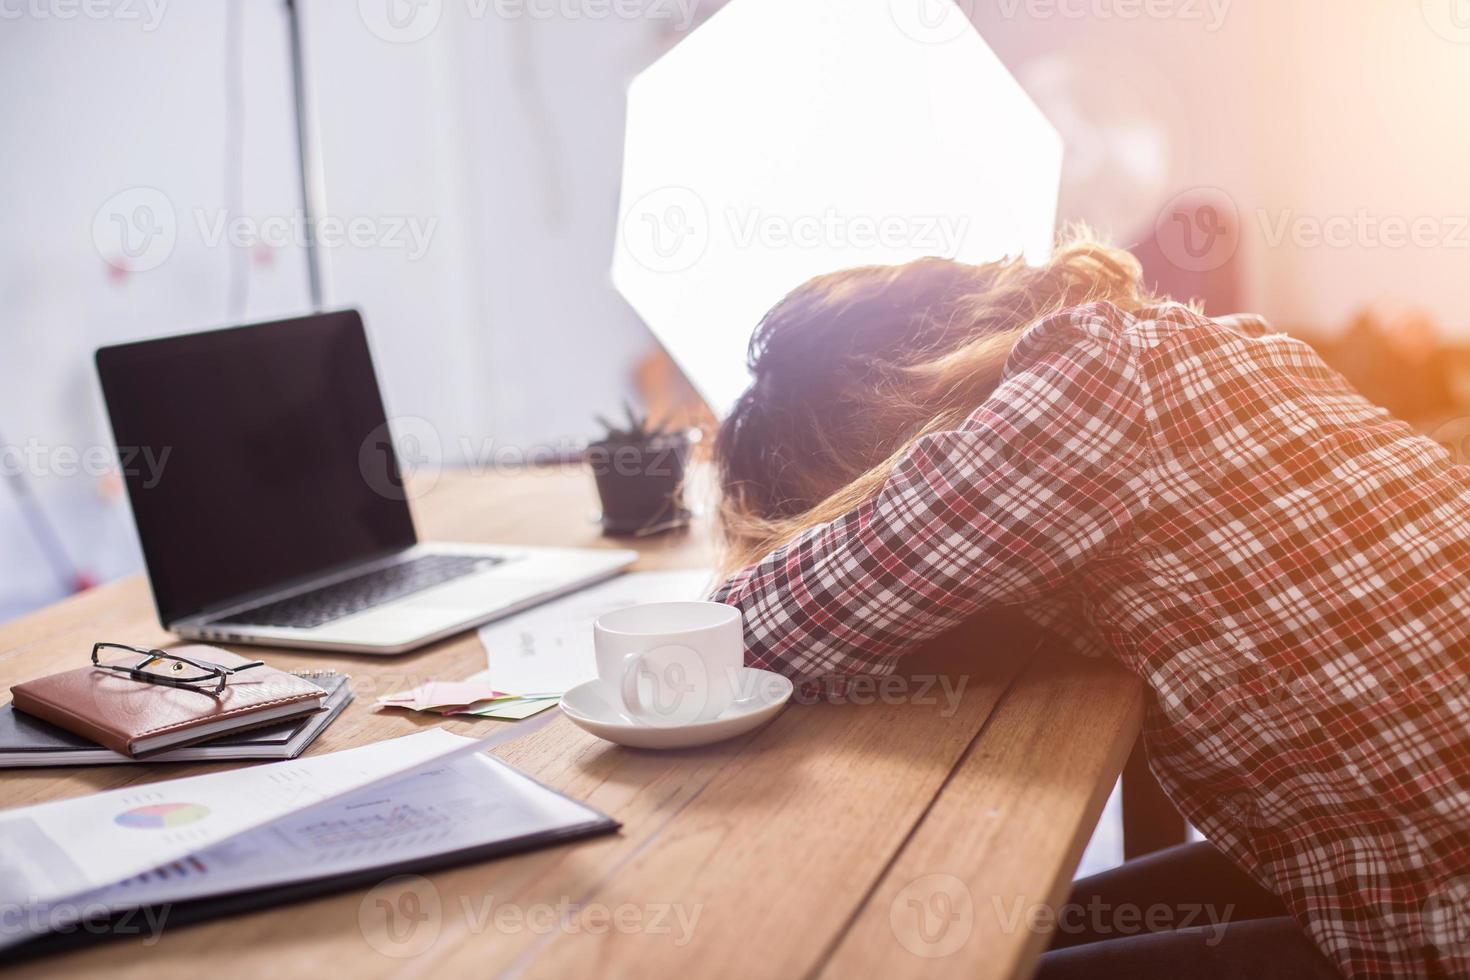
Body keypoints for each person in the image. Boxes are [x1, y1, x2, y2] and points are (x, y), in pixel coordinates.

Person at [707, 233, 1470, 979]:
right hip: (1405, 848)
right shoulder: (1225, 342)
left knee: (943, 957)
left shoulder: (1088, 386)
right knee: (1011, 934)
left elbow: (746, 636)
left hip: (1442, 918)